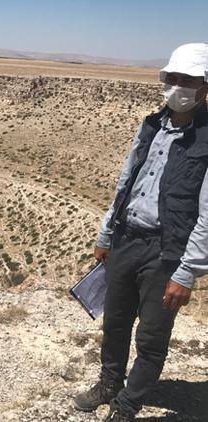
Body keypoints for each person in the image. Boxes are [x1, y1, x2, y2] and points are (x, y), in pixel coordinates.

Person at [72, 43, 208, 421]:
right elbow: (125, 181)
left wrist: (186, 272)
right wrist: (105, 234)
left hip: (167, 253)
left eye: (187, 80)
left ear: (204, 87)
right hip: (127, 238)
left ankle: (128, 404)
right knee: (114, 322)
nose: (177, 86)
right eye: (172, 78)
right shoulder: (151, 125)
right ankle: (109, 383)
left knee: (151, 336)